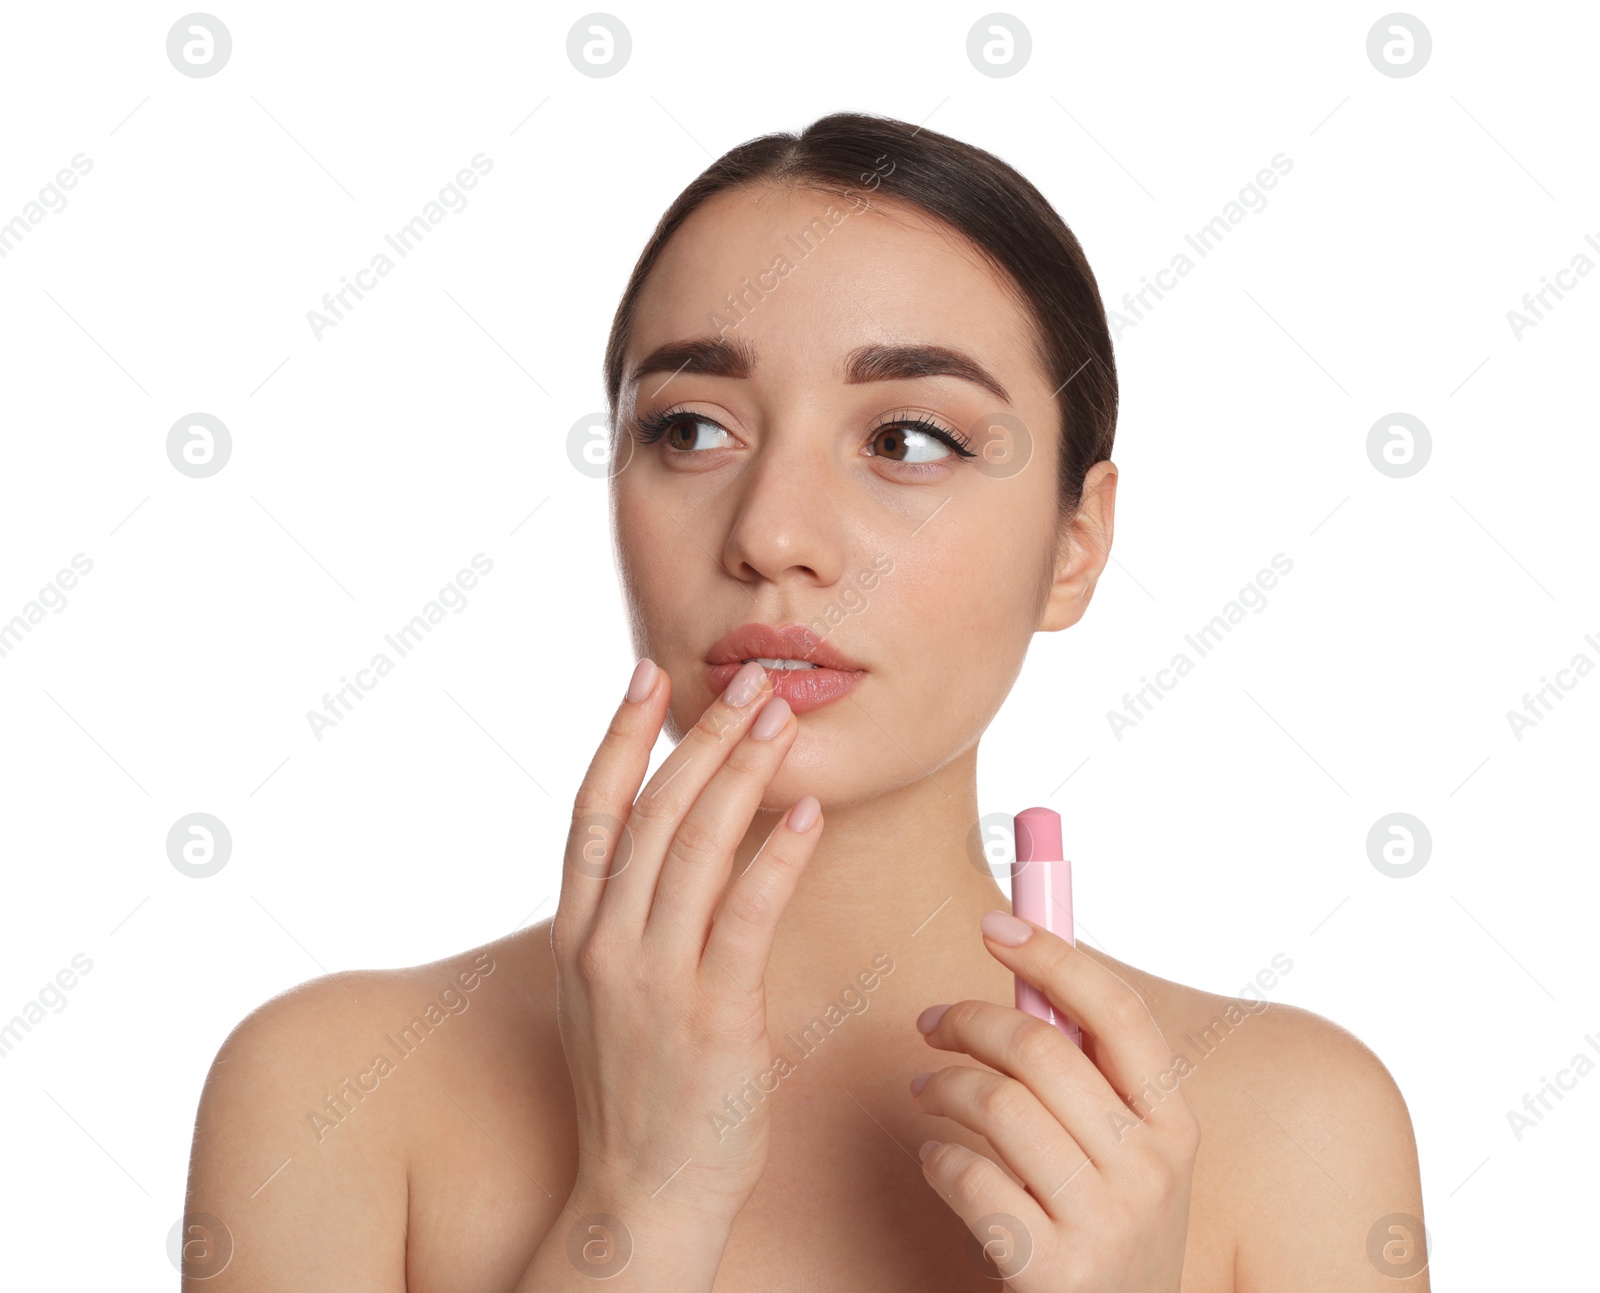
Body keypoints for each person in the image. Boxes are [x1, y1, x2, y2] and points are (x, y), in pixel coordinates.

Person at [182, 111, 1427, 1291]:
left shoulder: (1298, 1128)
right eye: (689, 429)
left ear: (1075, 543)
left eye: (908, 441)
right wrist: (639, 1204)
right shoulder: (328, 1090)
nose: (773, 535)